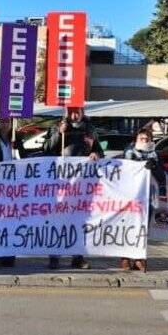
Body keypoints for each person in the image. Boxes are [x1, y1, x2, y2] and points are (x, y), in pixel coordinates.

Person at [42, 106, 103, 270]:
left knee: (79, 220)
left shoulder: (89, 128)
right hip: (61, 182)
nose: (74, 115)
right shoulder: (57, 126)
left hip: (82, 184)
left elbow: (99, 151)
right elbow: (46, 149)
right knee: (58, 220)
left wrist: (96, 153)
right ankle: (54, 256)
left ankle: (77, 256)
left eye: (77, 111)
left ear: (83, 112)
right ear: (65, 112)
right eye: (71, 112)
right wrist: (58, 134)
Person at [121, 128, 165, 272]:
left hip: (149, 196)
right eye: (141, 138)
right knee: (129, 227)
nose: (145, 141)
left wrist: (155, 167)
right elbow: (125, 173)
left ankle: (139, 259)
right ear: (136, 140)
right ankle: (125, 258)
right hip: (132, 197)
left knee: (143, 228)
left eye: (147, 139)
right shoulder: (129, 153)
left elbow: (161, 177)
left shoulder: (156, 155)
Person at [0, 116, 26, 268]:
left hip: (14, 187)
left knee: (11, 222)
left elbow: (24, 159)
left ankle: (9, 255)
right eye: (2, 122)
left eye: (7, 122)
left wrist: (16, 148)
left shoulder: (16, 140)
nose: (4, 124)